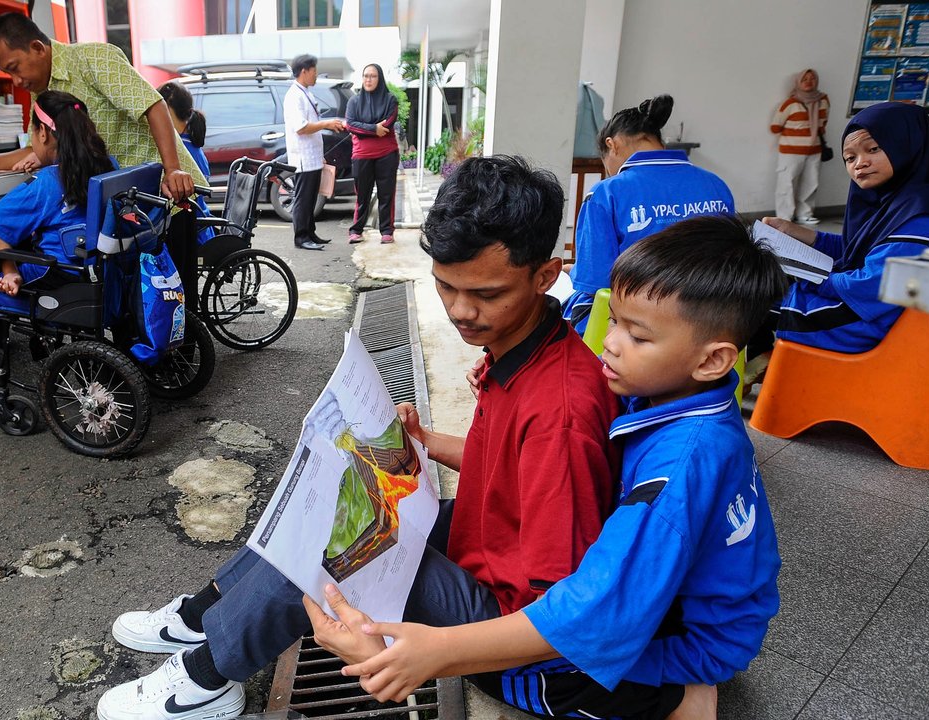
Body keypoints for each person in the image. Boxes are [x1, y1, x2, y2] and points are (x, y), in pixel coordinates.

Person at [93, 155, 620, 720]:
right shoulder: (524, 347)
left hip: (505, 629)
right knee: (326, 491)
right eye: (445, 286)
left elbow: (562, 612)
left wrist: (432, 654)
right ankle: (202, 616)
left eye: (486, 294)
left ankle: (206, 676)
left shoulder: (560, 409)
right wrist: (423, 441)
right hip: (486, 544)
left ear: (545, 275)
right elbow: (512, 470)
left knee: (335, 538)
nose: (461, 312)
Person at [311, 214, 787, 720]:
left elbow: (592, 611)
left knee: (529, 672)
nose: (611, 342)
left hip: (689, 639)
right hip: (688, 600)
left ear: (713, 360)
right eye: (616, 321)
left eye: (639, 337)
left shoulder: (682, 469)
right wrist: (431, 440)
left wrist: (436, 652)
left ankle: (676, 697)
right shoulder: (678, 398)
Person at [0, 91, 113, 369]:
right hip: (101, 269)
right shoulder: (108, 166)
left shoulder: (45, 183)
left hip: (58, 274)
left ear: (43, 133)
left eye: (32, 131)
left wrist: (9, 271)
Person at [0, 13, 202, 201]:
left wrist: (173, 169)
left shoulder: (93, 58)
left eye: (15, 68)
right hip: (126, 206)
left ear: (37, 48)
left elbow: (152, 106)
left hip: (170, 193)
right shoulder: (41, 95)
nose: (16, 81)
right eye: (7, 74)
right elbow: (32, 150)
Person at [763, 101, 929, 354]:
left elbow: (868, 284)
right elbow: (861, 249)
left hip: (868, 324)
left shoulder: (924, 215)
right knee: (759, 288)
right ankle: (763, 364)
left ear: (908, 143)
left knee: (747, 300)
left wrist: (809, 276)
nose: (860, 163)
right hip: (874, 309)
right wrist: (801, 234)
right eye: (850, 157)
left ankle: (752, 374)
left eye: (873, 148)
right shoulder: (904, 200)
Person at [561, 95, 735, 334]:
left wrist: (576, 271)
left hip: (639, 325)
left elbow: (595, 281)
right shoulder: (716, 185)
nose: (608, 171)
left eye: (605, 162)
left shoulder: (607, 193)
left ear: (612, 145)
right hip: (711, 319)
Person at [284, 54, 346, 251]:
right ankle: (301, 237)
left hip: (312, 156)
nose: (316, 75)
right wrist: (327, 123)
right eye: (314, 71)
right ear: (304, 71)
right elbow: (301, 128)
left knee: (311, 197)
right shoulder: (294, 96)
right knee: (303, 198)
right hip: (302, 157)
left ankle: (310, 232)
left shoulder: (305, 93)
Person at [344, 63, 399, 245]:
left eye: (373, 76)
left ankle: (386, 231)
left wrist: (364, 129)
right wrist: (374, 129)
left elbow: (388, 123)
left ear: (380, 78)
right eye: (365, 75)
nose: (368, 79)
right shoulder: (354, 101)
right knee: (362, 195)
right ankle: (356, 230)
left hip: (387, 154)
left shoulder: (390, 100)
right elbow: (350, 125)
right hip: (362, 155)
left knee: (386, 194)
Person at [157, 81, 215, 245]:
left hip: (190, 233)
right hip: (199, 227)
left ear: (166, 111)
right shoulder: (191, 145)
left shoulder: (179, 151)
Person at [770, 69, 829, 225]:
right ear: (798, 82)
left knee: (811, 183)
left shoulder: (823, 100)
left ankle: (805, 214)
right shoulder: (790, 103)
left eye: (813, 79)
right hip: (791, 151)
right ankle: (784, 217)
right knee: (786, 183)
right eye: (805, 79)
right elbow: (775, 126)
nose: (809, 82)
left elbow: (823, 124)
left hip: (814, 150)